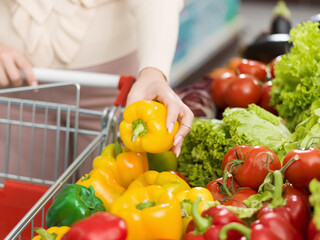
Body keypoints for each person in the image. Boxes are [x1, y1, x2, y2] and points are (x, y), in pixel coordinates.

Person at [0, 0, 194, 179]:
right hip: (13, 85)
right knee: (22, 200)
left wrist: (154, 71)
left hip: (112, 90)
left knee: (106, 199)